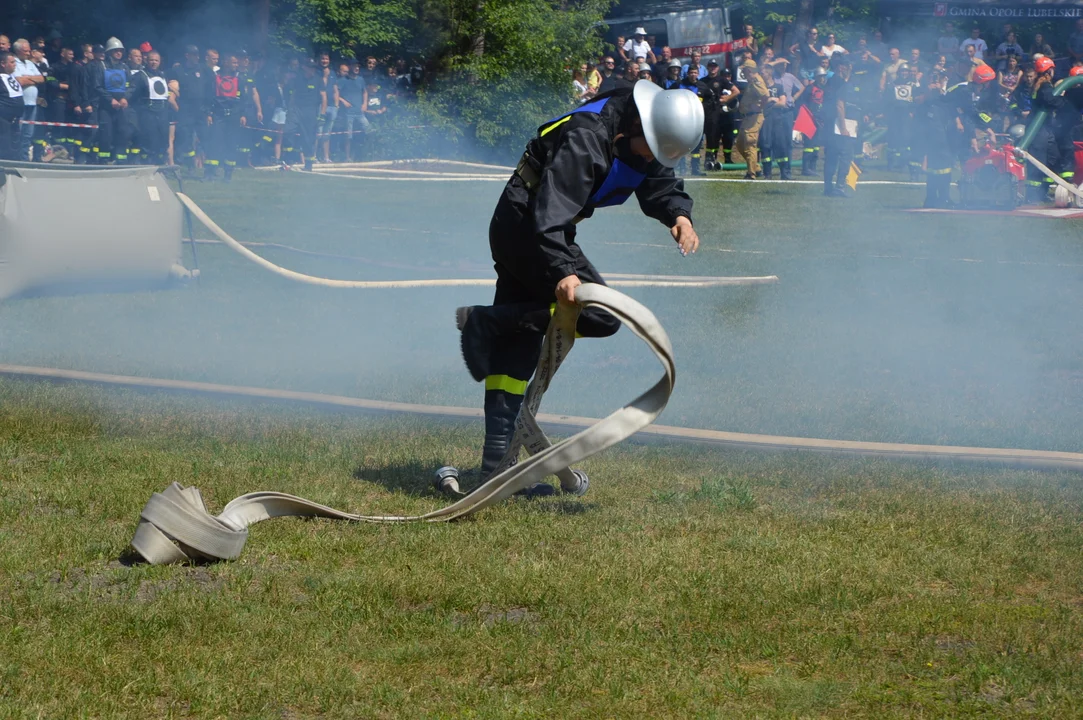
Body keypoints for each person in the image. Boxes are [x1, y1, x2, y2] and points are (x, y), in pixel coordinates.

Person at [451, 81, 701, 498]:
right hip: (528, 226)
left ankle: (496, 471)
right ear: (637, 125)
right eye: (649, 149)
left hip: (533, 224)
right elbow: (550, 210)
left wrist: (679, 215)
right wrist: (563, 270)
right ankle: (486, 322)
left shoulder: (641, 126)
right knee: (602, 314)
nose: (649, 158)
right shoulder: (588, 136)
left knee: (520, 345)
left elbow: (657, 178)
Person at [1025, 55, 1062, 202]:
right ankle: (1034, 195)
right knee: (1039, 160)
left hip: (1044, 128)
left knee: (1052, 158)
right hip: (1039, 129)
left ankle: (1043, 192)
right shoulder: (1045, 85)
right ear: (1048, 70)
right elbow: (1049, 100)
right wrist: (1063, 101)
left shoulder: (1039, 84)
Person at [128, 50, 172, 165]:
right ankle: (147, 162)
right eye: (151, 60)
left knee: (163, 138)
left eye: (156, 60)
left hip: (162, 113)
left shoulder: (163, 75)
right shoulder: (139, 75)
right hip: (147, 113)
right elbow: (131, 93)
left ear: (160, 62)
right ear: (146, 60)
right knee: (149, 139)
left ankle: (161, 163)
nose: (154, 62)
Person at [823, 55, 857, 197]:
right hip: (839, 124)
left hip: (829, 123)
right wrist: (843, 128)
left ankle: (828, 187)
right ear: (840, 67)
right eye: (847, 66)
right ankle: (840, 187)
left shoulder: (831, 81)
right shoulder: (841, 83)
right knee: (845, 155)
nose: (849, 69)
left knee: (831, 156)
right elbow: (840, 105)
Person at [699, 60, 739, 168]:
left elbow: (736, 91)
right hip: (707, 114)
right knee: (711, 137)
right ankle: (710, 159)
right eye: (710, 66)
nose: (712, 68)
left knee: (725, 137)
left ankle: (726, 159)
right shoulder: (702, 81)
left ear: (717, 68)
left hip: (720, 113)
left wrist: (726, 99)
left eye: (715, 66)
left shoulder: (722, 80)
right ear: (707, 67)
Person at [12, 39, 45, 161]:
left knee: (28, 133)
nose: (29, 53)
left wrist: (28, 78)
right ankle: (16, 158)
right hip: (20, 103)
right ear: (18, 50)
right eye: (26, 50)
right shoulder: (13, 62)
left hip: (32, 103)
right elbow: (19, 81)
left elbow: (41, 78)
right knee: (18, 132)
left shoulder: (30, 64)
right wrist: (32, 79)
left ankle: (24, 158)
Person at [735, 58, 768, 180]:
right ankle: (756, 168)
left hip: (754, 116)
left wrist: (760, 107)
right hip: (748, 117)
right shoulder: (751, 81)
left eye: (744, 70)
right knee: (739, 144)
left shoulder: (756, 80)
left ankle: (751, 173)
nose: (743, 73)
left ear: (749, 70)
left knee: (749, 143)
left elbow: (765, 95)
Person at [799, 67, 829, 175]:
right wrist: (810, 116)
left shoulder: (825, 89)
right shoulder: (809, 88)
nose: (822, 79)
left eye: (824, 76)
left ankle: (813, 168)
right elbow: (803, 104)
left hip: (820, 121)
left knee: (816, 145)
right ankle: (806, 169)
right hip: (810, 119)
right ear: (816, 77)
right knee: (809, 145)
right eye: (820, 77)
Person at [0, 52, 25, 160]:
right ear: (3, 64)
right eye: (12, 62)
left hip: (15, 119)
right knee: (5, 145)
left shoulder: (11, 77)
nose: (15, 64)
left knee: (14, 145)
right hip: (3, 118)